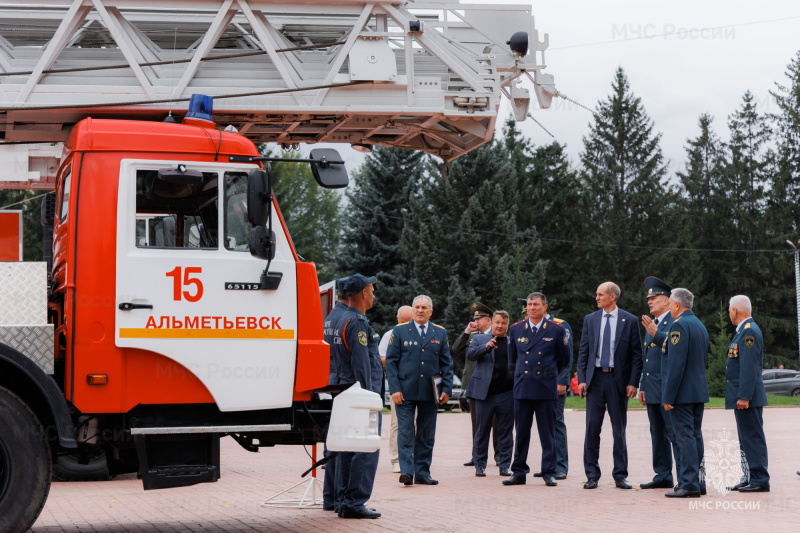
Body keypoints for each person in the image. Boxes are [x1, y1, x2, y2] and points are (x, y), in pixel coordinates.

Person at [577, 282, 642, 490]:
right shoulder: (590, 320)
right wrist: (582, 379)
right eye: (596, 294)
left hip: (618, 382)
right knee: (591, 429)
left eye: (600, 294)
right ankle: (592, 475)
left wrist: (633, 382)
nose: (596, 298)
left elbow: (636, 356)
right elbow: (584, 352)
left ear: (612, 296)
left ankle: (620, 475)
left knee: (618, 430)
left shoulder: (629, 320)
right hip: (595, 380)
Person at [503, 292, 570, 487]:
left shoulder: (556, 330)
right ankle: (519, 471)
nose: (532, 308)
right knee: (521, 432)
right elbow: (512, 360)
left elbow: (564, 359)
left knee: (547, 432)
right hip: (523, 387)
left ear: (544, 307)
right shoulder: (516, 330)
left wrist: (549, 374)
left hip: (545, 388)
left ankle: (549, 471)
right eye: (530, 304)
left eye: (536, 304)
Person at [385, 295, 454, 486]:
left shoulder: (439, 333)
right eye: (417, 307)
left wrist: (446, 389)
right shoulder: (400, 331)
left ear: (431, 311)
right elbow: (391, 362)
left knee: (425, 433)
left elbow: (446, 363)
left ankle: (422, 472)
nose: (420, 310)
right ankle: (407, 472)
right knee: (405, 431)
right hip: (404, 392)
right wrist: (394, 389)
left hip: (430, 392)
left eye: (424, 307)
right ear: (413, 310)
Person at [331, 274, 383, 518]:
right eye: (371, 290)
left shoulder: (343, 319)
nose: (373, 294)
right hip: (360, 396)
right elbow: (362, 365)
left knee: (348, 450)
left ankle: (344, 500)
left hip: (346, 394)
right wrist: (369, 399)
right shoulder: (358, 323)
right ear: (362, 293)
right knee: (364, 450)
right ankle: (354, 502)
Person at [662, 288, 709, 498]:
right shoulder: (698, 324)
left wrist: (668, 396)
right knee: (695, 436)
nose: (669, 306)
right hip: (697, 390)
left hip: (682, 393)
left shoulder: (679, 325)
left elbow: (676, 365)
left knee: (684, 437)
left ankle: (689, 484)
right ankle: (698, 482)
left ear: (678, 305)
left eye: (670, 302)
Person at [638, 276, 680, 490]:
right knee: (657, 434)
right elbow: (649, 359)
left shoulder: (674, 321)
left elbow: (675, 351)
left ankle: (685, 476)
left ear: (666, 299)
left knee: (674, 434)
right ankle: (663, 474)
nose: (649, 301)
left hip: (667, 389)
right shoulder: (652, 324)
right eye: (648, 298)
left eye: (654, 297)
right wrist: (643, 386)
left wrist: (657, 334)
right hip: (653, 388)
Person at [725, 295, 770, 492]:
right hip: (742, 397)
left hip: (747, 397)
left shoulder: (749, 331)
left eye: (729, 309)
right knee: (745, 438)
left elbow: (749, 368)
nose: (729, 313)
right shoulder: (742, 331)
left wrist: (744, 396)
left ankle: (760, 479)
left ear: (735, 310)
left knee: (752, 437)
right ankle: (749, 475)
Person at [465, 310, 514, 477]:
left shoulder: (511, 341)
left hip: (507, 393)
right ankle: (480, 465)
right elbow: (470, 355)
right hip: (484, 393)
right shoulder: (479, 338)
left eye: (503, 323)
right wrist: (486, 347)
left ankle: (505, 465)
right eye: (497, 322)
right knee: (482, 429)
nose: (500, 326)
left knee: (505, 431)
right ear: (492, 323)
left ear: (508, 325)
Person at [451, 301, 496, 467]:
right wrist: (466, 331)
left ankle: (499, 457)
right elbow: (455, 349)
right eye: (475, 319)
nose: (476, 322)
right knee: (476, 422)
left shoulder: (497, 334)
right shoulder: (471, 336)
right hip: (475, 385)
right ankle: (476, 456)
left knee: (496, 423)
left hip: (493, 384)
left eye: (480, 319)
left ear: (489, 320)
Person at [322, 276, 351, 513]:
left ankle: (330, 499)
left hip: (333, 383)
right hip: (345, 386)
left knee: (333, 444)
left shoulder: (331, 316)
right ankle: (340, 499)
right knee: (344, 445)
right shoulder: (348, 318)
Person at [378, 305, 413, 473]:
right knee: (397, 423)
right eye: (403, 321)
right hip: (398, 384)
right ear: (397, 319)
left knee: (416, 423)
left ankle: (412, 457)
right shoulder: (389, 335)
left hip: (416, 384)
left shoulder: (418, 334)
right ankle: (396, 459)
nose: (405, 324)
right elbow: (381, 359)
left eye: (409, 321)